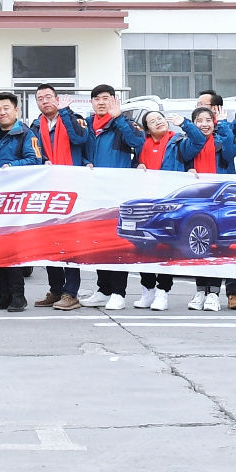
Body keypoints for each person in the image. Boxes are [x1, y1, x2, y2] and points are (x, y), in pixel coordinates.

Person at [30, 84, 90, 310]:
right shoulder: (36, 126)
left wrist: (65, 113)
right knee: (49, 241)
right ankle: (55, 289)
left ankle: (71, 292)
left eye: (48, 97)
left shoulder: (75, 119)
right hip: (48, 190)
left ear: (57, 99)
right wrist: (41, 162)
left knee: (70, 242)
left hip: (72, 188)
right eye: (40, 98)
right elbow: (33, 153)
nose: (45, 101)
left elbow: (80, 139)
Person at [0, 91, 45, 312]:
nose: (2, 113)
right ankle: (4, 296)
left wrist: (12, 166)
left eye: (6, 108)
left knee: (12, 248)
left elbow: (35, 159)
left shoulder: (26, 134)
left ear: (16, 110)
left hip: (14, 199)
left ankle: (18, 296)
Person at [176, 104, 236, 312]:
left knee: (217, 247)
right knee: (198, 245)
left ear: (214, 123)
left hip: (219, 202)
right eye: (199, 121)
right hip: (197, 202)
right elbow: (188, 154)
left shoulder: (222, 141)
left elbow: (231, 152)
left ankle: (214, 293)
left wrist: (225, 125)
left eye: (208, 120)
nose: (204, 124)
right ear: (193, 124)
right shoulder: (186, 143)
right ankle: (200, 291)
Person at [197, 81, 236, 310]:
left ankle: (233, 293)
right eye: (198, 105)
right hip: (202, 197)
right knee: (203, 242)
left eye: (204, 105)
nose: (199, 108)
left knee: (229, 244)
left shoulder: (227, 129)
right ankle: (204, 293)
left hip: (225, 197)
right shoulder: (194, 132)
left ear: (216, 109)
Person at [82, 84, 137, 310]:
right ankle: (103, 289)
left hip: (118, 192)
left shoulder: (123, 124)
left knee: (117, 243)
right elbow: (80, 152)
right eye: (97, 98)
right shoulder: (86, 126)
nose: (101, 102)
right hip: (94, 193)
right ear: (92, 102)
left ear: (114, 101)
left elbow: (138, 143)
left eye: (106, 98)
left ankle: (118, 292)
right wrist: (86, 163)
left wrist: (119, 119)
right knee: (98, 243)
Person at [130, 109, 192, 312]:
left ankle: (163, 291)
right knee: (144, 245)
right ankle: (147, 290)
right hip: (147, 202)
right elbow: (133, 165)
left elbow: (191, 155)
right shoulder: (141, 145)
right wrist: (136, 166)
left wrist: (190, 169)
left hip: (170, 203)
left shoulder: (179, 140)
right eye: (152, 121)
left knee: (167, 246)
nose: (158, 122)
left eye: (160, 118)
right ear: (147, 129)